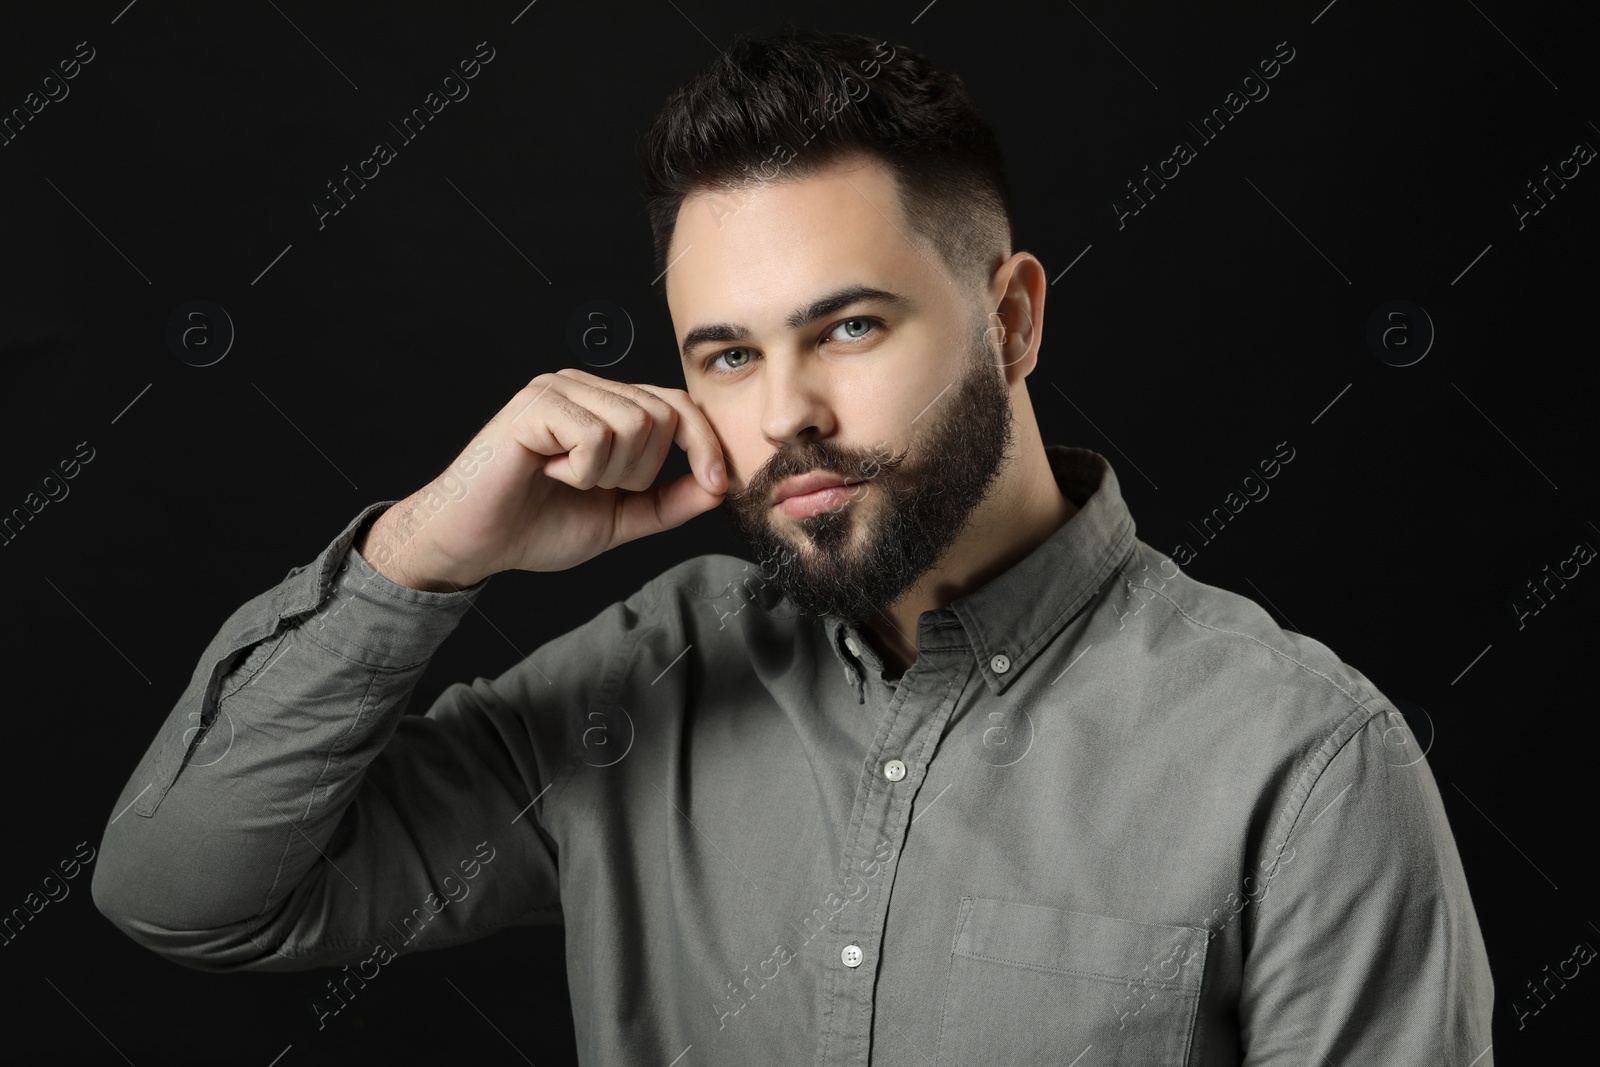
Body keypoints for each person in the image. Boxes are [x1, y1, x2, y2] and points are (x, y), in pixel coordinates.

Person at [92, 27, 1493, 1065]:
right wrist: (420, 556)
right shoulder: (649, 679)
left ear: (1011, 320)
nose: (786, 416)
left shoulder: (1301, 765)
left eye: (851, 327)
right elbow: (187, 895)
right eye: (727, 353)